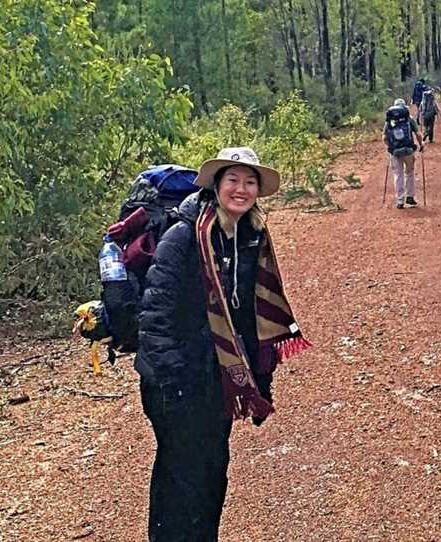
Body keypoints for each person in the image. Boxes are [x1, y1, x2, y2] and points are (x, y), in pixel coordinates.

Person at [135, 147, 311, 541]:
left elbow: (251, 317)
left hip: (216, 379)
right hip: (174, 380)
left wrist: (260, 382)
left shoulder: (252, 238)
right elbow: (156, 313)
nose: (241, 189)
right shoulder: (183, 236)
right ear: (216, 185)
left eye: (250, 182)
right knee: (180, 472)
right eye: (233, 179)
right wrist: (172, 382)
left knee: (213, 468)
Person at [383, 98, 424, 209]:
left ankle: (400, 200)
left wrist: (390, 147)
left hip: (395, 152)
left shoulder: (390, 121)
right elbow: (418, 134)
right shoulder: (409, 119)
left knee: (398, 174)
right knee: (409, 173)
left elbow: (384, 137)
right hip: (408, 150)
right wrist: (421, 145)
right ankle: (410, 196)